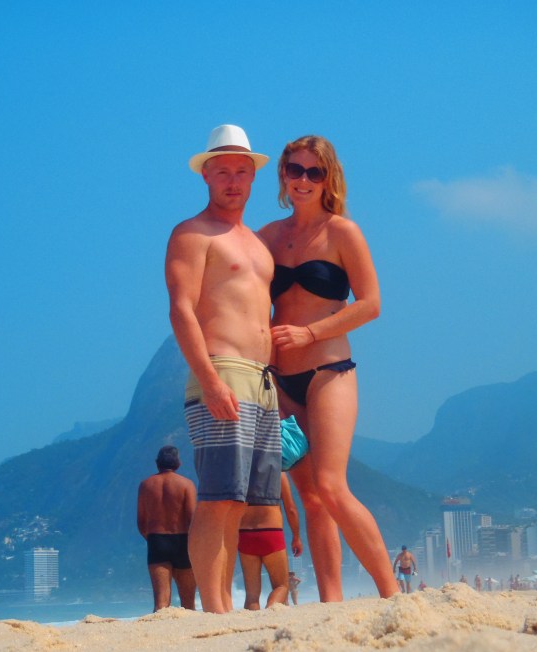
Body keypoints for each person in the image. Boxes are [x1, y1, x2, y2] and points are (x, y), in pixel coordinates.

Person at [259, 135, 398, 601]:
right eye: (294, 170)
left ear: (327, 179)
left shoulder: (343, 233)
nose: (302, 180)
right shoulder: (267, 238)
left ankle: (392, 594)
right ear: (282, 175)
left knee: (332, 486)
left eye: (313, 173)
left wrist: (310, 334)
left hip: (328, 370)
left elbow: (372, 304)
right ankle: (331, 603)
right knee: (311, 500)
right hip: (280, 381)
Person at [165, 124, 281, 613]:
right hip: (223, 371)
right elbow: (181, 309)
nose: (233, 180)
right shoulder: (192, 233)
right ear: (206, 177)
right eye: (223, 172)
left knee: (244, 503)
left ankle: (224, 605)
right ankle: (214, 608)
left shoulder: (256, 244)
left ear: (253, 178)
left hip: (262, 380)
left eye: (241, 171)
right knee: (218, 497)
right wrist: (210, 380)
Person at [136, 446, 197, 611]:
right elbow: (193, 520)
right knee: (188, 603)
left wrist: (153, 540)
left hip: (157, 541)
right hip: (182, 540)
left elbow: (141, 523)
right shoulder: (186, 484)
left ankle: (159, 635)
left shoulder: (145, 485)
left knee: (161, 604)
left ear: (157, 463)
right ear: (178, 463)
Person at [238, 473, 303, 609]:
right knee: (281, 586)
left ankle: (252, 627)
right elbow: (290, 509)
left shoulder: (243, 470)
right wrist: (296, 537)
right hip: (271, 533)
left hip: (245, 534)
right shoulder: (279, 474)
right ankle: (270, 612)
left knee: (252, 595)